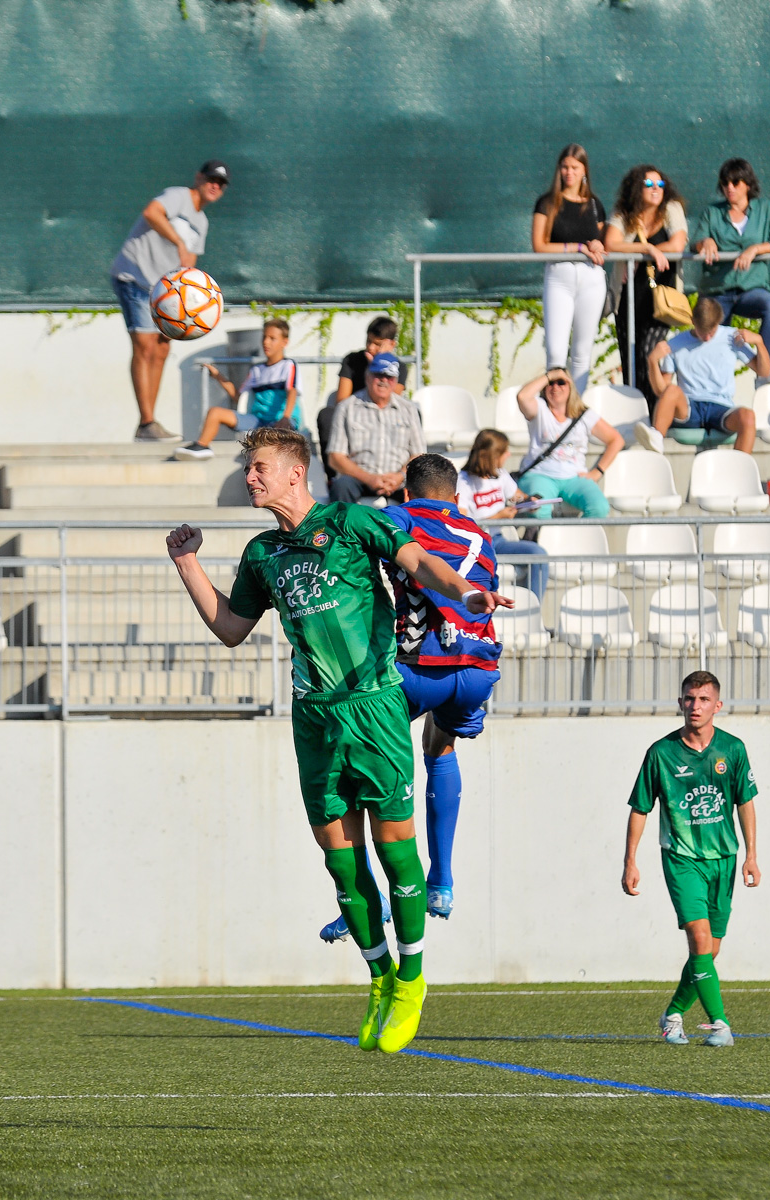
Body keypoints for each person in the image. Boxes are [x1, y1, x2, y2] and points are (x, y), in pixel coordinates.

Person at [166, 428, 511, 1054]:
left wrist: (466, 592)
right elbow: (230, 629)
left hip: (375, 706)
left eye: (259, 468)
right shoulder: (262, 553)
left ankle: (411, 978)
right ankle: (379, 977)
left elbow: (419, 563)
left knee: (393, 846)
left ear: (296, 473)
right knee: (341, 861)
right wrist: (188, 563)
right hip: (315, 718)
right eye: (248, 469)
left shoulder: (352, 523)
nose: (250, 478)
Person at [318, 453, 503, 941]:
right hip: (477, 669)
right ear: (457, 498)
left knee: (363, 769)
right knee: (440, 748)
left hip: (415, 669)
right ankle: (441, 883)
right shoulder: (482, 535)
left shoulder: (397, 518)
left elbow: (365, 554)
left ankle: (368, 895)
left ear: (405, 493)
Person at [622, 671, 760, 1049]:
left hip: (724, 859)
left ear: (717, 705)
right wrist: (630, 861)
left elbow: (745, 802)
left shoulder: (732, 749)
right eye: (688, 698)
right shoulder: (661, 753)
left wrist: (751, 855)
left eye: (702, 700)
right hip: (682, 859)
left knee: (710, 951)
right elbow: (640, 808)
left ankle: (673, 1015)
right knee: (699, 940)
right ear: (680, 702)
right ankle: (720, 1024)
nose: (694, 706)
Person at [109, 160, 229, 441]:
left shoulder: (202, 222)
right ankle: (147, 421)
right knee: (145, 346)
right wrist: (178, 242)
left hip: (163, 291)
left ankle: (148, 425)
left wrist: (194, 305)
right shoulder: (179, 196)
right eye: (211, 179)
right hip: (135, 274)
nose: (215, 186)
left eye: (221, 184)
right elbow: (152, 212)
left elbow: (190, 266)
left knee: (162, 349)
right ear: (198, 177)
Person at [690, 158, 770, 381]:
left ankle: (765, 371)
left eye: (735, 182)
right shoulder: (712, 212)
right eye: (725, 183)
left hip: (750, 290)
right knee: (711, 340)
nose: (729, 188)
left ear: (748, 184)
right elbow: (695, 241)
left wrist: (755, 249)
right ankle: (706, 387)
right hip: (717, 291)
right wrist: (704, 242)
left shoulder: (766, 209)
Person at [604, 165, 689, 409]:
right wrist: (646, 248)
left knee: (649, 353)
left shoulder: (671, 209)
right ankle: (634, 415)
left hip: (661, 298)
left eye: (660, 184)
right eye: (649, 184)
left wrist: (644, 253)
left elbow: (677, 246)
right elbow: (611, 243)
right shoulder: (624, 212)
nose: (655, 189)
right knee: (630, 359)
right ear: (635, 188)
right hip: (629, 298)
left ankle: (653, 414)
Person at [638, 297, 764, 455]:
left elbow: (764, 371)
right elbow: (661, 391)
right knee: (671, 390)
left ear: (719, 321)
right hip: (690, 408)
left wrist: (759, 342)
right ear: (693, 321)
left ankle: (739, 469)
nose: (707, 338)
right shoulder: (676, 343)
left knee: (748, 416)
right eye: (702, 332)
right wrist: (652, 362)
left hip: (721, 407)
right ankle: (656, 440)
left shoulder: (732, 338)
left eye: (711, 332)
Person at [530, 143, 608, 395]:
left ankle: (576, 412)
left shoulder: (594, 204)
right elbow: (539, 245)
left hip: (591, 279)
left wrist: (597, 243)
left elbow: (602, 243)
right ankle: (555, 407)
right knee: (556, 351)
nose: (569, 172)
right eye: (564, 167)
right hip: (559, 276)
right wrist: (575, 248)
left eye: (574, 167)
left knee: (582, 352)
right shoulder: (548, 202)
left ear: (584, 169)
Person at [177, 316, 299, 459]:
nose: (266, 342)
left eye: (272, 338)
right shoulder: (256, 370)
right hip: (257, 421)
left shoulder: (288, 365)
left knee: (278, 434)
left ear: (285, 342)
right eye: (264, 337)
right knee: (215, 412)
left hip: (281, 421)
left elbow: (292, 391)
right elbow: (238, 396)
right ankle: (202, 447)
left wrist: (285, 417)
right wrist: (218, 376)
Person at [512, 368, 623, 518]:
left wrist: (597, 472)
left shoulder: (584, 414)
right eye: (550, 383)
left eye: (561, 382)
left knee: (600, 507)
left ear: (570, 386)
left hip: (574, 477)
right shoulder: (540, 408)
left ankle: (578, 540)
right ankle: (545, 541)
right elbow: (522, 396)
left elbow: (616, 440)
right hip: (539, 475)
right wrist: (549, 375)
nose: (555, 387)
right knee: (538, 510)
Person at [456, 429, 549, 598]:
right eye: (504, 451)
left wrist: (530, 503)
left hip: (497, 541)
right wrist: (497, 517)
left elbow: (518, 496)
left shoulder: (500, 474)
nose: (509, 454)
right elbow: (461, 524)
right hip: (475, 546)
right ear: (492, 455)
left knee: (539, 554)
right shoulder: (463, 481)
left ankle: (533, 609)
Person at [324, 353, 425, 505]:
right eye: (379, 374)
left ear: (396, 381)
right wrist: (369, 478)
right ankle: (342, 530)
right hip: (359, 478)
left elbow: (418, 455)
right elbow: (336, 457)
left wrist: (400, 476)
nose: (384, 380)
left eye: (389, 376)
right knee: (341, 486)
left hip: (399, 480)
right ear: (367, 376)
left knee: (424, 487)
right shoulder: (346, 408)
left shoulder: (409, 409)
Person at [334, 316, 406, 403]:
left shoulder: (398, 367)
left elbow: (388, 402)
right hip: (354, 412)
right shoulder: (351, 361)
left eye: (377, 344)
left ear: (391, 345)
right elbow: (341, 402)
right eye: (368, 341)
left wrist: (376, 365)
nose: (371, 347)